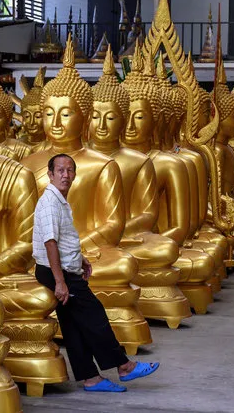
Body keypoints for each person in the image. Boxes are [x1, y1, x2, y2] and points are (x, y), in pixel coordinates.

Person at [33, 153, 160, 392]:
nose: (65, 175)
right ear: (49, 175)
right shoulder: (50, 202)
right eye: (60, 170)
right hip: (56, 272)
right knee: (95, 317)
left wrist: (79, 259)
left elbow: (61, 239)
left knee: (73, 325)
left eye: (70, 170)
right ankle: (124, 366)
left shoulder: (60, 200)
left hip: (61, 269)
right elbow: (50, 242)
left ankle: (90, 377)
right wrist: (60, 282)